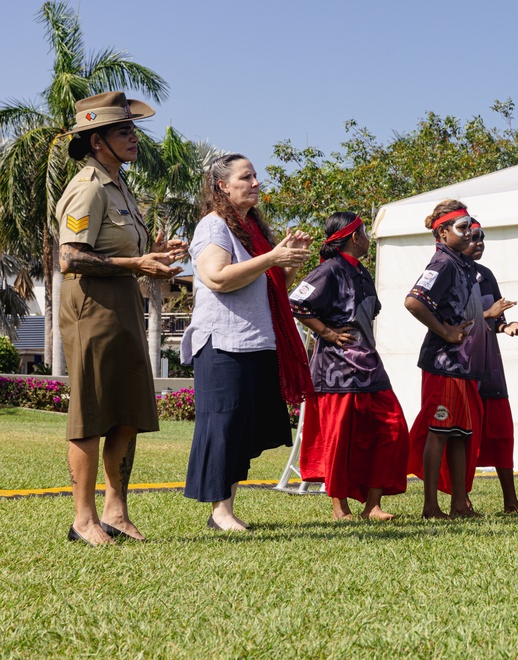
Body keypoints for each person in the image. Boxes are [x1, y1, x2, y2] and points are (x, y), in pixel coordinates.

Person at [57, 91, 187, 545]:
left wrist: (154, 255)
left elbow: (118, 250)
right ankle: (84, 518)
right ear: (96, 141)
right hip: (91, 306)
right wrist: (136, 265)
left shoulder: (120, 185)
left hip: (123, 303)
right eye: (122, 131)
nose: (133, 137)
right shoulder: (89, 188)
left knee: (127, 410)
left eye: (132, 129)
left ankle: (116, 510)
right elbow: (70, 258)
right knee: (92, 413)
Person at [181, 154, 313, 531]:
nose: (256, 182)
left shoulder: (251, 227)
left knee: (242, 428)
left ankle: (225, 510)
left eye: (256, 176)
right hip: (223, 342)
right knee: (224, 426)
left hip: (256, 340)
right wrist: (272, 256)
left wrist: (287, 263)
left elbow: (270, 288)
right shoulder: (214, 226)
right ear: (222, 186)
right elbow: (218, 277)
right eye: (246, 177)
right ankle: (219, 512)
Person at [290, 212, 408, 520]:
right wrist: (327, 332)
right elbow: (296, 303)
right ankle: (339, 509)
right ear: (355, 237)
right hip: (336, 371)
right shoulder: (328, 270)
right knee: (339, 438)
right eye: (366, 233)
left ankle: (373, 505)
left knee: (392, 429)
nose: (369, 239)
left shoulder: (363, 272)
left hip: (369, 366)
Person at [404, 200, 488, 519]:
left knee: (459, 434)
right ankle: (430, 507)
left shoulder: (460, 263)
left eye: (470, 227)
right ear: (442, 231)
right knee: (440, 432)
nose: (469, 234)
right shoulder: (442, 263)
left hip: (461, 365)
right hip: (443, 363)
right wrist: (447, 332)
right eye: (462, 228)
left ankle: (457, 504)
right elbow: (413, 301)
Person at [461, 219, 518, 513]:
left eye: (482, 237)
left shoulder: (485, 274)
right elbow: (455, 319)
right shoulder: (450, 272)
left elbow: (495, 318)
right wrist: (490, 313)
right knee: (462, 435)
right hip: (463, 366)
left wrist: (506, 326)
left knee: (501, 434)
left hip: (491, 366)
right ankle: (461, 499)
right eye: (473, 237)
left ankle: (511, 501)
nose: (479, 242)